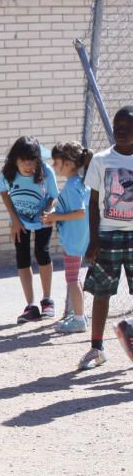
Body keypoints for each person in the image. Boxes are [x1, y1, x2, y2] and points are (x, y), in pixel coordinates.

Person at [79, 106, 133, 369]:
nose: (121, 131)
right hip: (108, 235)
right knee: (101, 293)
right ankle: (96, 348)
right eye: (117, 127)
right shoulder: (101, 160)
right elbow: (93, 202)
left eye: (127, 127)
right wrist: (94, 239)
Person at [0, 136, 58, 324]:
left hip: (42, 220)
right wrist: (14, 219)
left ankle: (47, 300)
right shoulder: (8, 173)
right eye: (24, 161)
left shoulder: (45, 171)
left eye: (32, 162)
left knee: (42, 253)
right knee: (22, 258)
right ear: (15, 158)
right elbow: (4, 193)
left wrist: (47, 212)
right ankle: (30, 306)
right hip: (19, 221)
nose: (28, 166)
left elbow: (53, 196)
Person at [41, 142, 93, 333]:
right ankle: (80, 315)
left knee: (72, 279)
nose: (53, 166)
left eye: (56, 162)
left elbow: (79, 211)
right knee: (75, 278)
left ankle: (79, 320)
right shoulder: (81, 182)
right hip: (79, 238)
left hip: (74, 240)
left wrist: (55, 217)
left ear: (69, 163)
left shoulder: (72, 186)